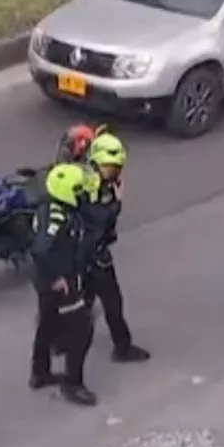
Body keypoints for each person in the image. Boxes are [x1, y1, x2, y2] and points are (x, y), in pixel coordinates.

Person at [30, 163, 98, 406]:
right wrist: (57, 276)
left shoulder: (50, 206)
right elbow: (40, 249)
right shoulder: (57, 217)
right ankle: (73, 384)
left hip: (45, 281)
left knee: (47, 325)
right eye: (79, 191)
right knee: (81, 331)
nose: (83, 194)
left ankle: (40, 373)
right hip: (61, 283)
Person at [81, 132, 149, 363]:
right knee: (112, 302)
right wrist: (116, 203)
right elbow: (98, 222)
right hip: (93, 255)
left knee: (84, 300)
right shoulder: (92, 188)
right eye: (111, 167)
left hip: (84, 255)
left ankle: (60, 339)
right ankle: (122, 347)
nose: (115, 172)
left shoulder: (89, 178)